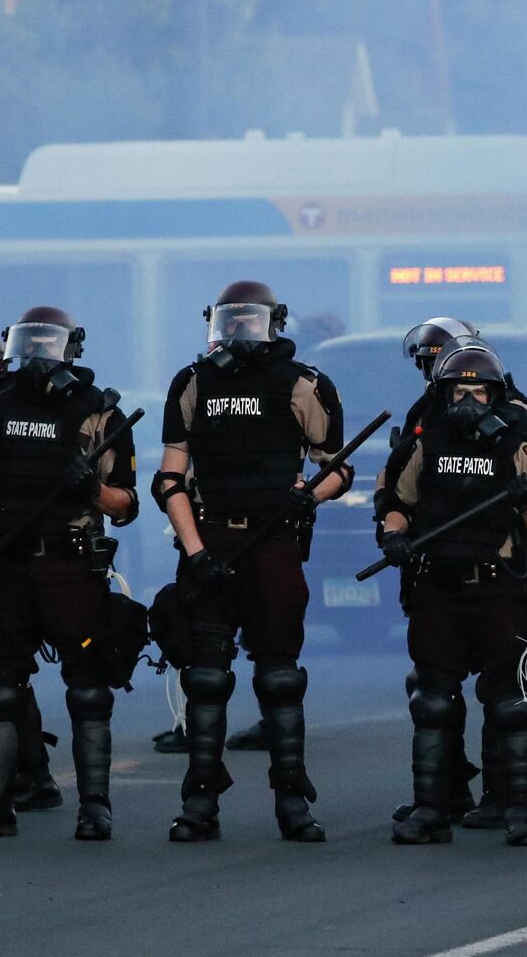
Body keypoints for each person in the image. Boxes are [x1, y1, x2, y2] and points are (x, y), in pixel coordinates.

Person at [153, 280, 348, 843]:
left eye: (250, 320)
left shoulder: (303, 384)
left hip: (274, 544)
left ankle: (293, 800)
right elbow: (171, 479)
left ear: (275, 323)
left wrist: (308, 496)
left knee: (280, 678)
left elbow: (337, 467)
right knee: (207, 678)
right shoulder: (192, 383)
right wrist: (195, 553)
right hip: (211, 540)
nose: (239, 331)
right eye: (229, 321)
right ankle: (199, 803)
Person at [0, 307, 138, 840]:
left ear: (70, 350)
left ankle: (94, 806)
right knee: (1, 687)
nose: (35, 355)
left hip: (69, 566)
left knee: (87, 689)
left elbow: (126, 504)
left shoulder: (100, 413)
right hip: (5, 566)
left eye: (46, 345)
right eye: (27, 345)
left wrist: (91, 491)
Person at [379, 343, 527, 846]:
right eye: (460, 390)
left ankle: (520, 811)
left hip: (497, 584)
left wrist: (523, 500)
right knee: (432, 701)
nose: (469, 400)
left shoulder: (518, 446)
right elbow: (397, 501)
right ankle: (432, 811)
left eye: (479, 391)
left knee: (510, 703)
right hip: (436, 584)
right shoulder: (425, 440)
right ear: (443, 392)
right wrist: (393, 536)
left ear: (496, 394)